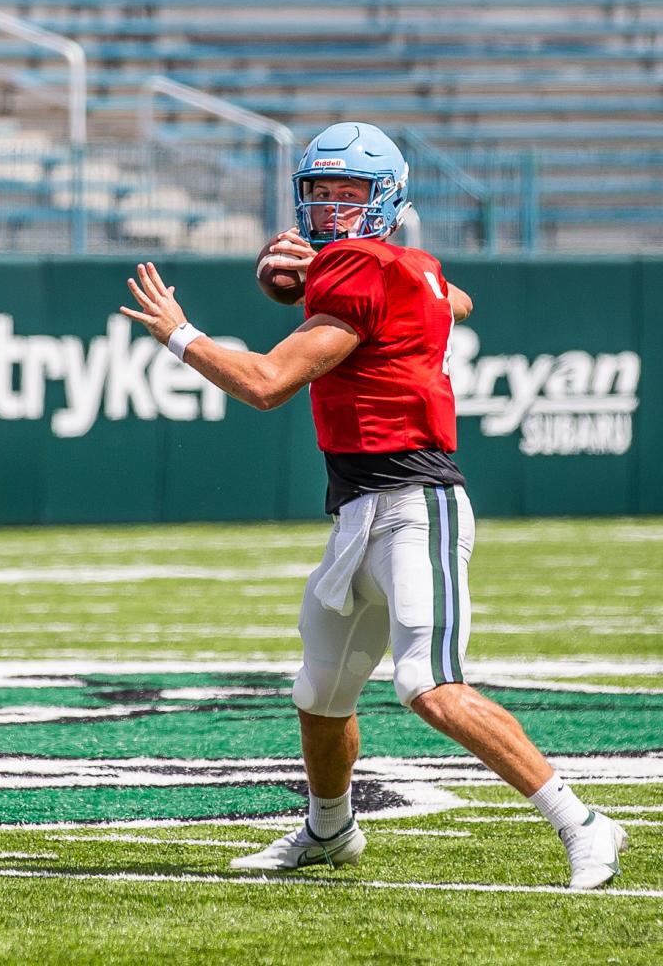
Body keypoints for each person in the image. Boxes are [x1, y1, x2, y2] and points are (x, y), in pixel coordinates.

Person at [119, 121, 627, 888]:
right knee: (319, 691)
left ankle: (583, 821)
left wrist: (179, 334)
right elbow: (454, 298)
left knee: (428, 683)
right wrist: (322, 276)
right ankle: (329, 831)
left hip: (414, 503)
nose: (328, 210)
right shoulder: (403, 262)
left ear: (384, 199)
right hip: (359, 507)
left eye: (347, 195)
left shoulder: (364, 265)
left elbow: (265, 384)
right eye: (319, 193)